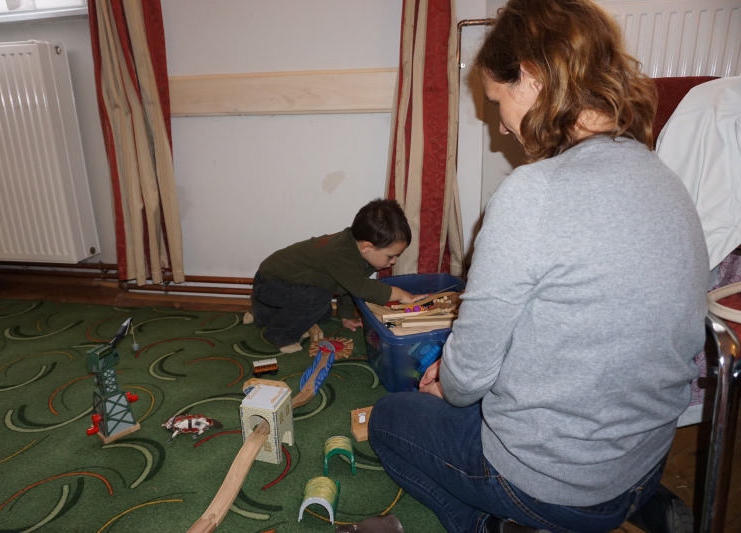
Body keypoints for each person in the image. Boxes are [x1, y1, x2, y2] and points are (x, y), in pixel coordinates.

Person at [368, 1, 709, 533]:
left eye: (497, 101)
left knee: (389, 420)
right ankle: (628, 505)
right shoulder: (665, 180)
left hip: (555, 483)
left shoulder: (533, 193)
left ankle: (492, 525)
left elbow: (467, 380)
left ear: (530, 78)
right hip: (643, 462)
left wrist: (449, 385)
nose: (502, 129)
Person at [246, 198, 426, 353]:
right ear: (367, 247)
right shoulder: (340, 254)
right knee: (317, 300)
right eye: (391, 256)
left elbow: (347, 285)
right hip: (269, 284)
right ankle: (278, 334)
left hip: (284, 282)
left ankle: (261, 313)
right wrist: (401, 295)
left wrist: (345, 315)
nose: (393, 261)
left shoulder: (361, 252)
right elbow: (360, 287)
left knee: (323, 313)